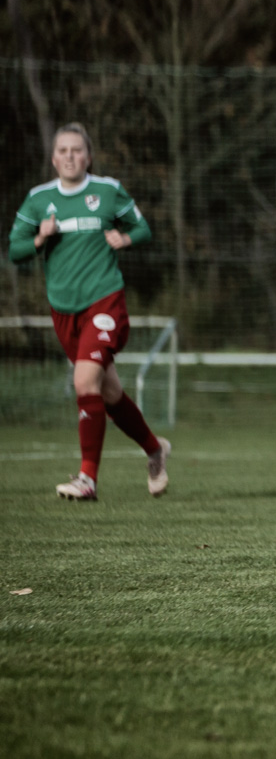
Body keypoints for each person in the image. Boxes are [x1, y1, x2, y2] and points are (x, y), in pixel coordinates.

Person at [8, 124, 171, 501]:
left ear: (88, 156)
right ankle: (154, 450)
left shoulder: (108, 191)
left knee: (84, 382)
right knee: (108, 392)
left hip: (105, 300)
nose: (69, 156)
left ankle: (87, 479)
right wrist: (39, 238)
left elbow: (142, 228)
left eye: (77, 150)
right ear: (53, 158)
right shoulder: (38, 199)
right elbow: (15, 250)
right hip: (64, 310)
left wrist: (126, 237)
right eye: (62, 150)